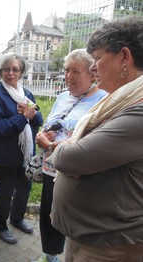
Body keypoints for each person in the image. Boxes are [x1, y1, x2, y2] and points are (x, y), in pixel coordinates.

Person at [50, 15, 143, 261]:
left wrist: (60, 147)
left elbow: (71, 158)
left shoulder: (139, 110)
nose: (93, 67)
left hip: (110, 245)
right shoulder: (121, 102)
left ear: (125, 57)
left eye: (98, 58)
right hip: (92, 236)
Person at [32, 49, 107, 262]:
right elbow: (49, 123)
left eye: (76, 71)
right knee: (50, 214)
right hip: (50, 168)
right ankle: (50, 255)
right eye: (66, 70)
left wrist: (52, 143)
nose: (68, 76)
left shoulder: (103, 100)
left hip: (77, 174)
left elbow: (93, 141)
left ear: (92, 74)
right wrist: (44, 134)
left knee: (73, 217)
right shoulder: (63, 97)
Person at [0, 52, 43, 244]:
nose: (11, 73)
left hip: (25, 154)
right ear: (0, 72)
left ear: (21, 72)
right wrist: (23, 117)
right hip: (4, 155)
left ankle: (17, 219)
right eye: (6, 69)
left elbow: (38, 120)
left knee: (24, 188)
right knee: (5, 191)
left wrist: (31, 115)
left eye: (15, 69)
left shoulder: (26, 94)